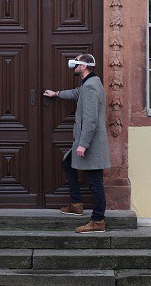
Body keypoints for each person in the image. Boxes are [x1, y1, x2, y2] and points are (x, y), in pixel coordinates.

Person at [43, 54, 110, 233]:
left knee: (95, 180)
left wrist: (83, 144)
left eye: (77, 63)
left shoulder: (90, 87)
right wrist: (56, 94)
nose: (74, 66)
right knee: (68, 164)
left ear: (85, 66)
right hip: (86, 141)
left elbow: (90, 120)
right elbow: (75, 93)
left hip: (90, 142)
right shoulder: (88, 84)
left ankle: (98, 221)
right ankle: (76, 204)